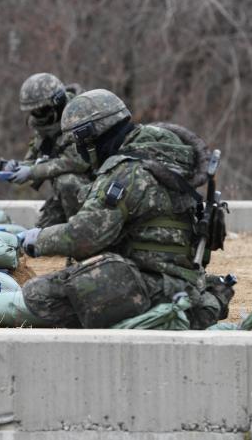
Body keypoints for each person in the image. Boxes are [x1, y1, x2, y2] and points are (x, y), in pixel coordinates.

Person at [19, 89, 231, 329]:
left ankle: (171, 313)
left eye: (80, 141)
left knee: (37, 294)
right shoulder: (162, 158)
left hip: (151, 281)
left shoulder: (125, 171)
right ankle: (200, 302)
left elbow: (84, 236)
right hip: (182, 276)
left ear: (92, 135)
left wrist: (36, 240)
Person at [3, 73, 92, 227]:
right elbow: (37, 157)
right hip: (66, 195)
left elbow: (78, 161)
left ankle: (83, 230)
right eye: (34, 111)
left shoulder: (81, 116)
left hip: (93, 187)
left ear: (56, 103)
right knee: (39, 236)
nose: (38, 116)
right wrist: (17, 167)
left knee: (67, 181)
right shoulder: (46, 125)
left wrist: (32, 172)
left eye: (41, 110)